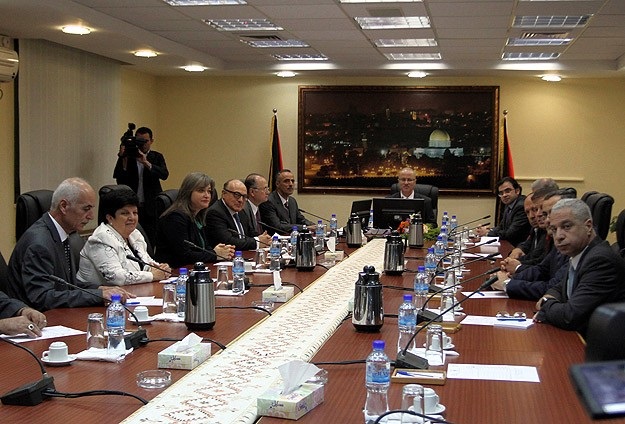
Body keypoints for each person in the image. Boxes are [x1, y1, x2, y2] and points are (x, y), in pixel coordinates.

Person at [7, 178, 133, 311]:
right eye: (86, 209)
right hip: (36, 318)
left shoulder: (60, 234)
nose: (91, 216)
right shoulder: (39, 244)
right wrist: (98, 296)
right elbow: (42, 297)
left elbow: (66, 285)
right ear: (63, 206)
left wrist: (99, 289)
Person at [534, 199, 625, 335]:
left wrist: (545, 303)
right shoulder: (580, 253)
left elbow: (570, 316)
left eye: (566, 226)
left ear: (588, 226)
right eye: (554, 229)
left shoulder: (600, 260)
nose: (558, 236)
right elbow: (559, 288)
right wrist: (552, 299)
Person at [77, 187, 171, 286]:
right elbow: (116, 277)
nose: (132, 218)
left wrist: (161, 268)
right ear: (110, 218)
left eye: (135, 213)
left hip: (132, 291)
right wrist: (152, 275)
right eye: (125, 213)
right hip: (97, 294)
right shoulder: (101, 239)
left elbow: (147, 263)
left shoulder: (134, 234)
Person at [155, 172, 235, 267]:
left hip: (194, 269)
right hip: (174, 271)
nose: (207, 195)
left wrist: (219, 251)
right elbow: (184, 255)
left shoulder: (197, 216)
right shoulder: (175, 217)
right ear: (188, 192)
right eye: (201, 191)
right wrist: (214, 254)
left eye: (209, 191)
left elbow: (202, 248)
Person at [113, 126, 169, 244]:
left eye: (145, 141)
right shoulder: (128, 157)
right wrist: (123, 158)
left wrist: (146, 162)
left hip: (151, 206)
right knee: (131, 238)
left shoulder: (156, 156)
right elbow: (118, 177)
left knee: (151, 239)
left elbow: (164, 174)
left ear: (151, 141)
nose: (142, 144)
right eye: (139, 141)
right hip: (132, 205)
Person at [205, 179, 272, 251]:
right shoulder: (215, 213)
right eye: (237, 195)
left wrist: (264, 239)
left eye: (244, 196)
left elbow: (250, 233)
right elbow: (228, 242)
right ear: (224, 193)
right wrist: (257, 242)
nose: (241, 200)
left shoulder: (240, 211)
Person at [476, 176, 530, 246]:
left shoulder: (521, 206)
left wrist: (488, 233)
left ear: (517, 191)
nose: (504, 195)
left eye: (507, 191)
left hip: (518, 247)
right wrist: (490, 230)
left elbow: (510, 234)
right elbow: (501, 226)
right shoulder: (509, 204)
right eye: (501, 193)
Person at [259, 169, 313, 235]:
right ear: (277, 184)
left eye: (292, 181)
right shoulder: (268, 201)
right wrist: (304, 228)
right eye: (286, 181)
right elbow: (277, 226)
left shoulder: (292, 201)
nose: (291, 184)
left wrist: (314, 226)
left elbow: (300, 220)